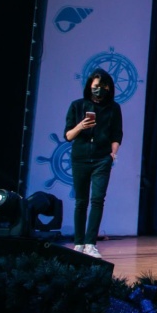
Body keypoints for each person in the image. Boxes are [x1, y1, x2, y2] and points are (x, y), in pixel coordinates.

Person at [64, 68, 123, 259]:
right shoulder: (77, 105)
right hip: (80, 158)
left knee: (97, 200)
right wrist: (81, 126)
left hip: (102, 159)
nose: (100, 89)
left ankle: (91, 243)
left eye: (104, 86)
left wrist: (113, 153)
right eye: (97, 86)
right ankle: (79, 243)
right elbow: (68, 135)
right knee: (81, 201)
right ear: (90, 86)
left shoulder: (114, 108)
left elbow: (117, 134)